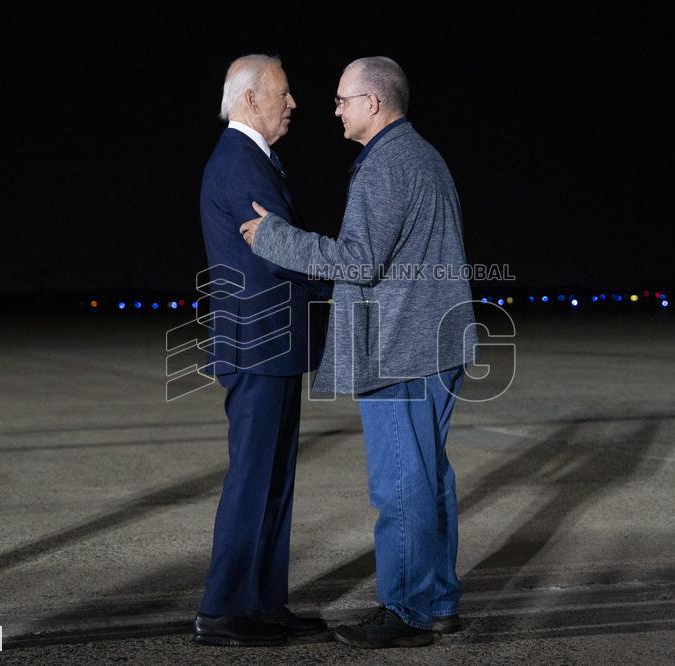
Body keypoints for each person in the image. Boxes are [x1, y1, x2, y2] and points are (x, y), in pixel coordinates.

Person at [240, 56, 477, 648]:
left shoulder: (388, 163)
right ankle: (438, 601)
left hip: (402, 347)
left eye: (343, 99)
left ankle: (406, 612)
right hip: (434, 342)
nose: (334, 109)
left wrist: (274, 238)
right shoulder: (422, 155)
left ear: (374, 103)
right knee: (427, 479)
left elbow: (358, 261)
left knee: (401, 485)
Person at [193, 54, 328, 647]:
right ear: (250, 99)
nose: (293, 103)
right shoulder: (239, 161)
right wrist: (351, 272)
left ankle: (265, 602)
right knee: (253, 479)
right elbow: (283, 249)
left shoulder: (257, 158)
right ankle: (223, 611)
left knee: (274, 480)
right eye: (284, 92)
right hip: (257, 344)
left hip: (273, 343)